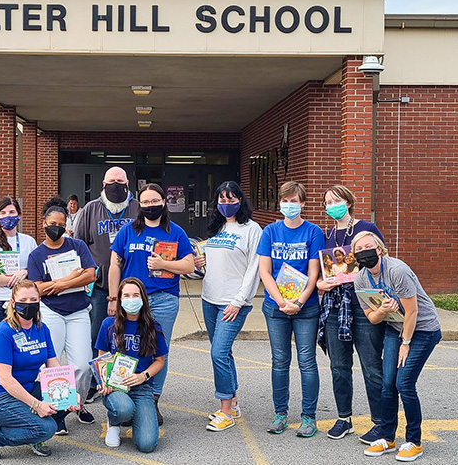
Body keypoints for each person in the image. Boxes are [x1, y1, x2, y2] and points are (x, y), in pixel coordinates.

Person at [351, 231, 441, 463]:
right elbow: (372, 317)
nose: (364, 253)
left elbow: (412, 311)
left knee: (404, 383)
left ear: (379, 249)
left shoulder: (396, 270)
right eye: (359, 250)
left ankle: (414, 441)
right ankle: (388, 437)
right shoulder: (360, 279)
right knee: (387, 383)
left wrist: (406, 343)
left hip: (422, 329)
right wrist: (382, 309)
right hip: (394, 326)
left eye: (368, 247)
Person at [109, 183, 194, 424]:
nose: (150, 205)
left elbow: (189, 265)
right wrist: (114, 298)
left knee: (157, 350)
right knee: (126, 345)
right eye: (145, 202)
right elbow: (115, 264)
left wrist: (164, 265)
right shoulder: (128, 231)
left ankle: (153, 399)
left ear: (163, 202)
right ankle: (124, 394)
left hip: (163, 299)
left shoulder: (175, 232)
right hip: (130, 300)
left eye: (154, 201)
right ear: (139, 205)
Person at [0, 280, 80, 460]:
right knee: (46, 428)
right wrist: (37, 405)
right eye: (23, 299)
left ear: (39, 301)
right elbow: (5, 379)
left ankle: (32, 430)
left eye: (33, 299)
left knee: (63, 401)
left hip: (25, 388)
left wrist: (71, 392)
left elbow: (53, 364)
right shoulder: (3, 332)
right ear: (13, 303)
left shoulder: (41, 328)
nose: (29, 303)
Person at [316, 185, 386, 442]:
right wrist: (320, 285)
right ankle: (344, 418)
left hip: (364, 305)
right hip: (335, 307)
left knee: (371, 366)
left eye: (336, 200)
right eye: (327, 202)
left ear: (348, 202)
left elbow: (383, 261)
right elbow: (322, 273)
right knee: (339, 366)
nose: (331, 205)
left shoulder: (366, 229)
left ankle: (380, 422)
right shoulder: (328, 235)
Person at [192, 181, 263, 432]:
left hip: (233, 302)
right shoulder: (217, 227)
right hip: (209, 298)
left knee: (218, 353)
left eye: (231, 199)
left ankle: (225, 413)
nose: (226, 204)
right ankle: (232, 402)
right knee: (224, 352)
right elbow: (215, 263)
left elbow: (254, 269)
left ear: (241, 201)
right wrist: (201, 262)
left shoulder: (252, 229)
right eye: (221, 200)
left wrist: (238, 301)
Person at [257, 181, 324, 438]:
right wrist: (281, 301)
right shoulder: (270, 232)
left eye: (294, 201)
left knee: (307, 361)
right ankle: (280, 414)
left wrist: (299, 301)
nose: (289, 205)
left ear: (303, 204)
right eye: (285, 201)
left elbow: (313, 272)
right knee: (280, 361)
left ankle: (309, 417)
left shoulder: (313, 232)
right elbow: (265, 271)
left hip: (305, 307)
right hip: (276, 307)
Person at [27, 196, 98, 434]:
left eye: (61, 223)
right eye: (51, 224)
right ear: (44, 224)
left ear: (66, 224)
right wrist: (68, 280)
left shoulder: (77, 246)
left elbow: (90, 275)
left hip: (78, 310)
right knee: (53, 364)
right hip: (51, 311)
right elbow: (38, 288)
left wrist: (59, 285)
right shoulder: (37, 255)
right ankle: (57, 412)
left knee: (82, 364)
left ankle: (76, 404)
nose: (56, 228)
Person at [73, 166, 139, 403]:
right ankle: (95, 382)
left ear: (127, 183)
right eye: (111, 181)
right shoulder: (91, 209)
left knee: (131, 336)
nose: (115, 184)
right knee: (98, 336)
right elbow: (78, 245)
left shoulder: (137, 208)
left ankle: (125, 380)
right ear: (103, 183)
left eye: (119, 181)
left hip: (133, 289)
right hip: (100, 288)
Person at [96, 277, 168, 452]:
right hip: (115, 386)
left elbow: (160, 361)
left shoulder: (153, 326)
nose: (131, 299)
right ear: (120, 299)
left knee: (147, 445)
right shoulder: (108, 324)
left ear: (143, 298)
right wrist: (104, 381)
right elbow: (101, 357)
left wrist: (143, 376)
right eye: (126, 295)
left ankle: (137, 416)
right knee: (123, 409)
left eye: (136, 295)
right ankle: (114, 420)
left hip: (141, 387)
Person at [0, 196, 38, 337]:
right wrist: (16, 280)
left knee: (24, 348)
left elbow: (37, 271)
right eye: (3, 213)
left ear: (19, 215)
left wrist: (25, 272)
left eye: (12, 212)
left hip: (24, 304)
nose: (8, 216)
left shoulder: (29, 241)